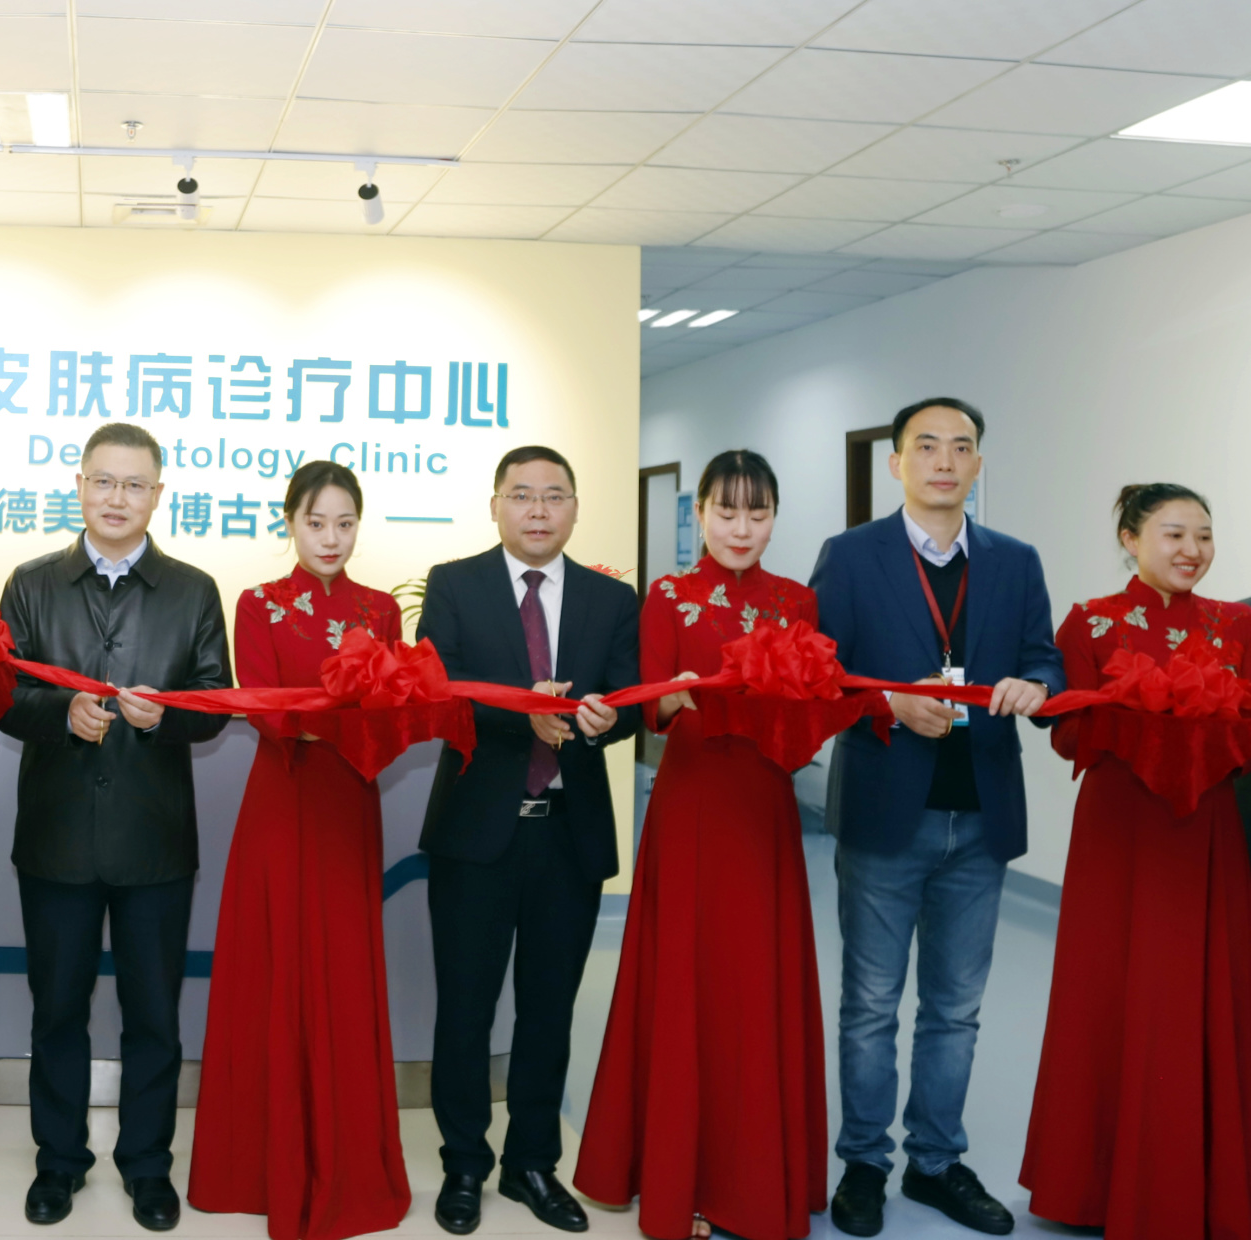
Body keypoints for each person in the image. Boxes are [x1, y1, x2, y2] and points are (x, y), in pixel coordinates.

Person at [809, 398, 1063, 1237]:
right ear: (897, 463)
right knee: (871, 1005)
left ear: (978, 464)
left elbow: (1045, 658)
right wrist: (886, 703)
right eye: (927, 446)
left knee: (956, 1008)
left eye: (961, 447)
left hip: (981, 815)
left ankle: (935, 1162)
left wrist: (1036, 684)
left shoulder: (1015, 561)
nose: (945, 461)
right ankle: (863, 1164)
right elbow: (821, 673)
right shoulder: (851, 557)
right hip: (887, 811)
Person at [575, 450, 827, 1240]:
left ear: (774, 517)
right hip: (691, 803)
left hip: (763, 805)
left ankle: (751, 1178)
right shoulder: (668, 596)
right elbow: (649, 707)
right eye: (726, 511)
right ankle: (677, 1176)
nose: (741, 528)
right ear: (700, 513)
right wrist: (678, 695)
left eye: (757, 512)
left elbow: (808, 710)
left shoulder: (796, 600)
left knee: (754, 981)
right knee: (684, 979)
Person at [0, 422, 231, 1232]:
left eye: (135, 485)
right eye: (104, 481)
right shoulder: (32, 583)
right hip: (57, 836)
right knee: (57, 1009)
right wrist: (62, 713)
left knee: (154, 1016)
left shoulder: (194, 590)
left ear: (158, 495)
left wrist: (168, 718)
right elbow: (0, 695)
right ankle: (58, 1161)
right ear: (80, 486)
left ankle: (147, 1165)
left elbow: (215, 703)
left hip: (155, 839)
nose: (117, 497)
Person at [417, 445, 642, 1236]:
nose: (538, 510)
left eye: (554, 496)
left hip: (568, 837)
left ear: (575, 507)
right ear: (496, 506)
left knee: (548, 1010)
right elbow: (438, 691)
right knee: (466, 1008)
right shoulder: (455, 584)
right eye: (522, 495)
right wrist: (523, 713)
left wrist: (606, 719)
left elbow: (633, 700)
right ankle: (464, 1164)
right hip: (476, 833)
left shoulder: (612, 599)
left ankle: (533, 1163)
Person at [1021, 484, 1251, 1240]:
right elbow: (1066, 731)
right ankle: (1094, 1190)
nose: (1192, 550)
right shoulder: (1091, 620)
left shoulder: (1234, 623)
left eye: (1204, 535)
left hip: (1206, 828)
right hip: (1120, 828)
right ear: (1130, 538)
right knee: (1112, 985)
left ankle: (1205, 1183)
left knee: (1201, 986)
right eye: (1174, 533)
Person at [189, 461, 411, 1240]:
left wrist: (356, 714)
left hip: (349, 802)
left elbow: (392, 714)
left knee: (344, 972)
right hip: (282, 802)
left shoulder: (382, 609)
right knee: (274, 969)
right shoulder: (258, 603)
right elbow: (267, 708)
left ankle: (346, 1159)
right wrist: (345, 712)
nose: (331, 538)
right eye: (316, 522)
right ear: (290, 522)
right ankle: (261, 1164)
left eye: (345, 523)